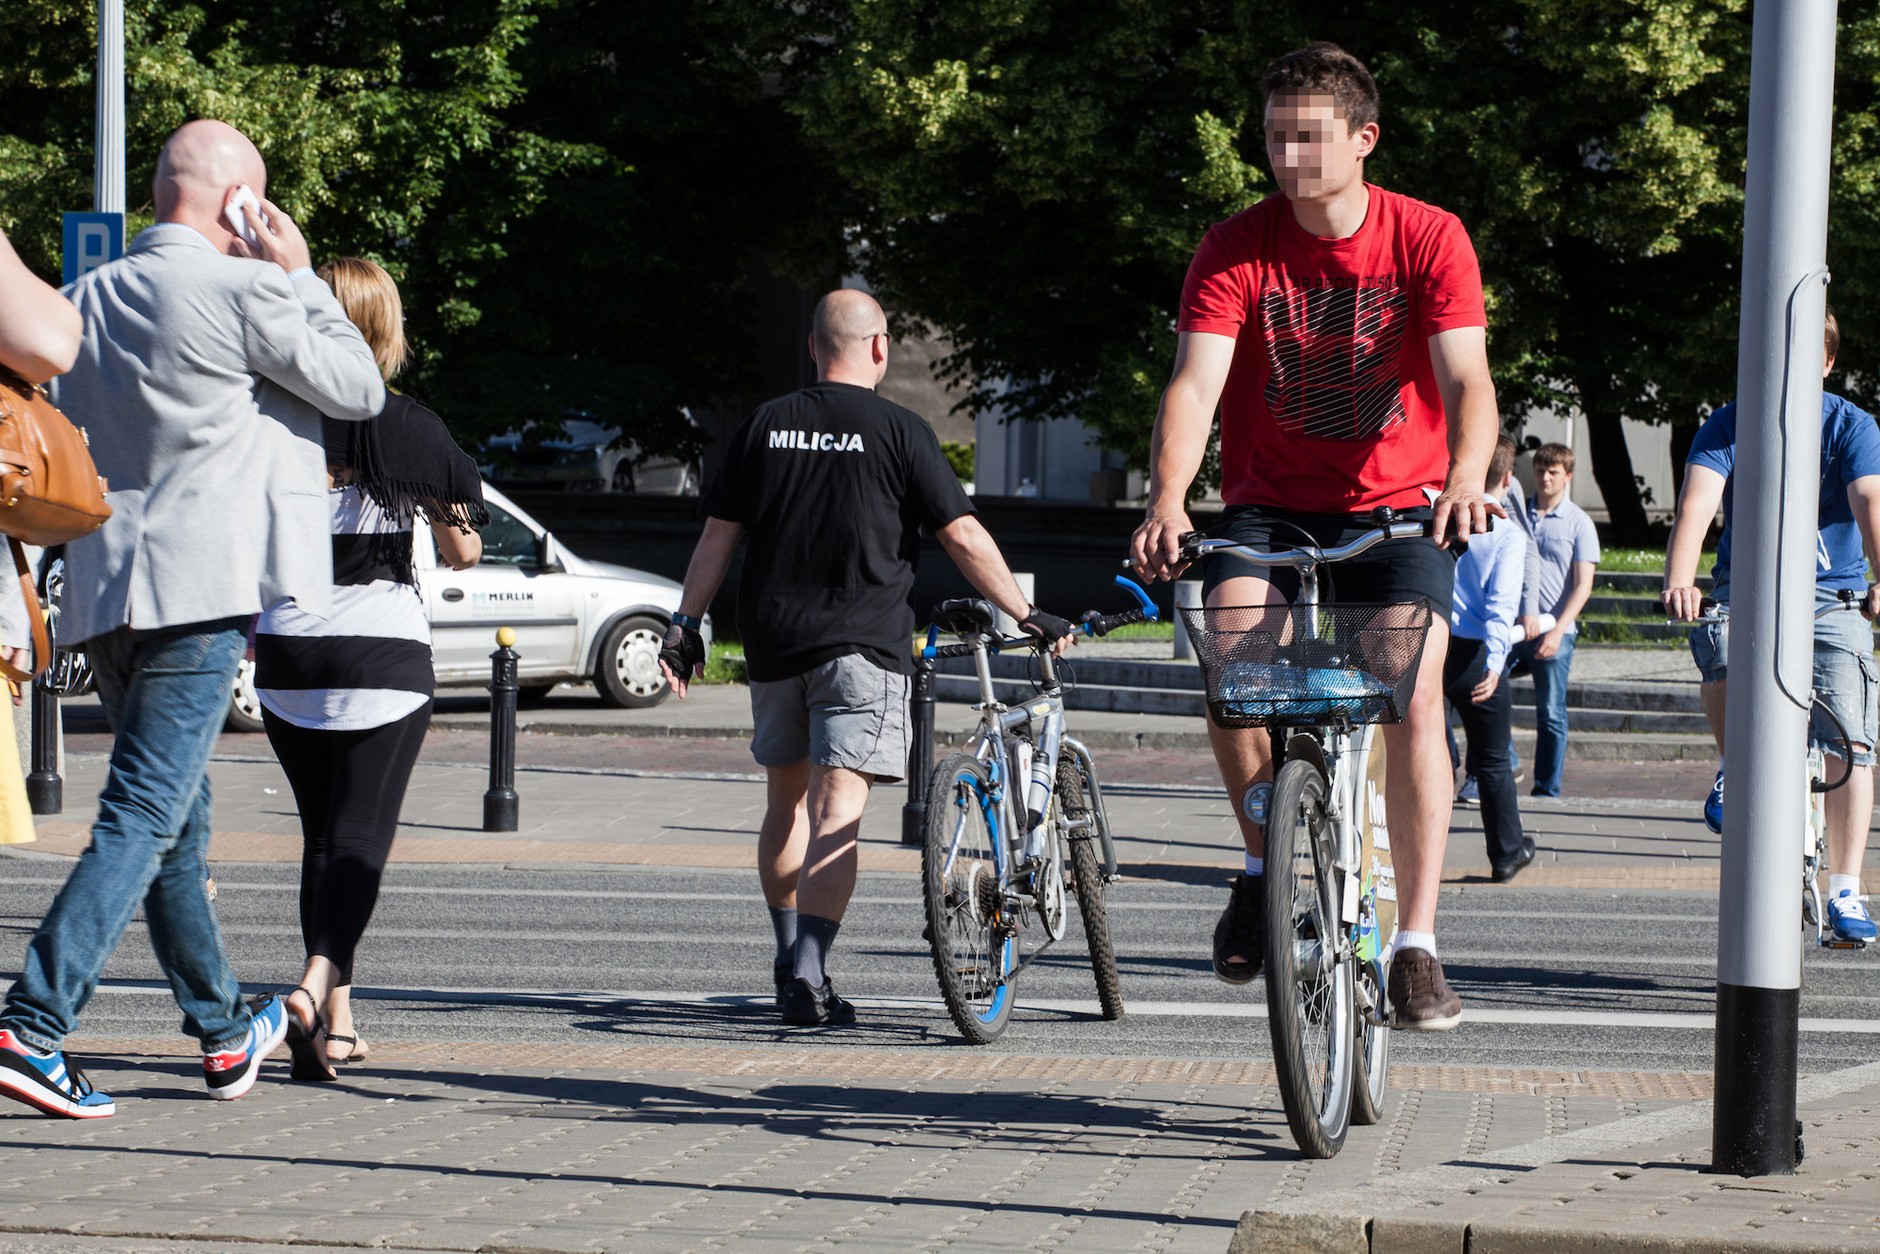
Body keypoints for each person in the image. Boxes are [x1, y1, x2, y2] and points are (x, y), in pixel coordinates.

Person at [0, 120, 386, 1120]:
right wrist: (298, 272)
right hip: (202, 592)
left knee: (177, 818)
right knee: (143, 812)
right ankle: (33, 1022)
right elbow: (358, 388)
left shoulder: (84, 297)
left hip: (101, 589)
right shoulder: (247, 289)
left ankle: (221, 1031)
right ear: (241, 204)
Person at [1129, 42, 1501, 1030]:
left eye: (1307, 137)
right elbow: (1193, 386)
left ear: (1363, 139)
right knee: (1230, 654)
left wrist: (1465, 478)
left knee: (1411, 691)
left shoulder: (1427, 237)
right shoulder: (1234, 246)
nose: (1286, 157)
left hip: (1399, 508)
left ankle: (1415, 942)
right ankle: (1260, 865)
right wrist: (1168, 499)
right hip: (1270, 506)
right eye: (1273, 137)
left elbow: (1466, 378)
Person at [659, 288, 1075, 1026]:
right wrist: (1025, 610)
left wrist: (684, 625)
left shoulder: (764, 425)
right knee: (837, 813)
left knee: (786, 805)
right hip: (861, 647)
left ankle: (788, 957)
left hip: (774, 643)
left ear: (813, 348)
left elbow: (717, 536)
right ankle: (811, 974)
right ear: (880, 347)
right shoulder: (901, 430)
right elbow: (962, 535)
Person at [256, 257, 486, 1078]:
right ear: (386, 331)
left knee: (320, 837)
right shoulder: (410, 425)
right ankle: (313, 987)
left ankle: (335, 1025)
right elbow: (463, 550)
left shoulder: (272, 420)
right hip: (381, 650)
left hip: (287, 650)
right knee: (359, 839)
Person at [1663, 306, 1878, 944]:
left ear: (1828, 363)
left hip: (1833, 595)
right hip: (1748, 589)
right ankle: (1737, 766)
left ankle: (1846, 888)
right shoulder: (1729, 423)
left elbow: (1869, 500)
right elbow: (1698, 502)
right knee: (1718, 637)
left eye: (1806, 355)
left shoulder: (1851, 426)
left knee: (1850, 738)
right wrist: (1680, 578)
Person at [1445, 437, 1535, 881]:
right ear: (1508, 478)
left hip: (1433, 642)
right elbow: (1502, 606)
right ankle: (1506, 852)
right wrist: (1497, 663)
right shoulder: (1507, 534)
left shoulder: (1440, 512)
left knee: (1429, 753)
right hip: (1476, 650)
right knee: (1494, 759)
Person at [1505, 443, 1598, 797]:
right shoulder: (1517, 512)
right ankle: (1506, 764)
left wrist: (1557, 631)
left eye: (1553, 472)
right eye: (1541, 471)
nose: (1545, 478)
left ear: (1568, 477)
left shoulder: (1579, 522)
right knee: (1480, 690)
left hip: (1555, 629)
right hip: (1513, 626)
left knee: (1551, 713)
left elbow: (1583, 585)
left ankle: (1546, 790)